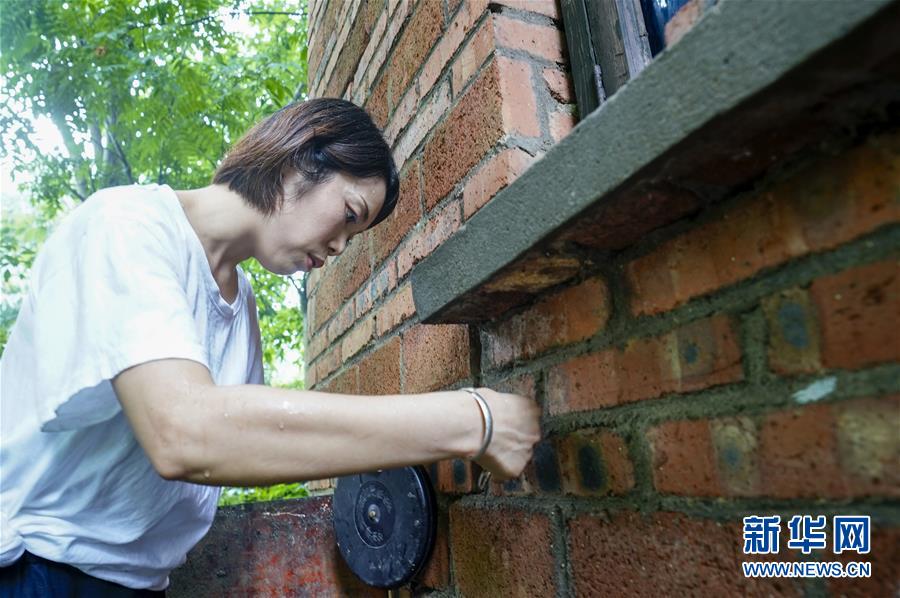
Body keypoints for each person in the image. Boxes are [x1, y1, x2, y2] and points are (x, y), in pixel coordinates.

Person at [0, 98, 542, 595]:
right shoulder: (126, 225)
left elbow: (249, 442)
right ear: (298, 159)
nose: (339, 246)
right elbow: (187, 433)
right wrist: (472, 421)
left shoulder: (243, 310)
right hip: (37, 568)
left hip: (139, 584)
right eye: (349, 215)